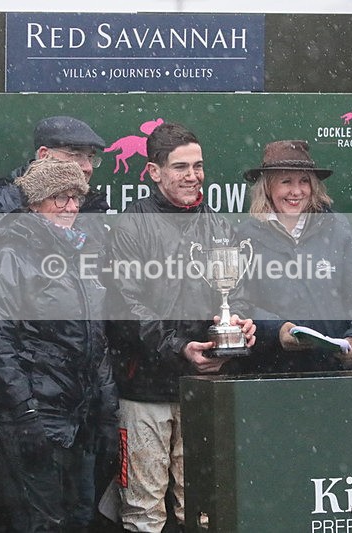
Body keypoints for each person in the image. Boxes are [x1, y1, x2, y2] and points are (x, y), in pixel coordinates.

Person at [107, 122, 255, 532]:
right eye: (180, 167)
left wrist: (238, 326)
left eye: (199, 166)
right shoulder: (131, 224)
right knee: (143, 510)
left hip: (203, 387)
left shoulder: (220, 225)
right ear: (154, 172)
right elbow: (126, 308)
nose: (192, 176)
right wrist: (178, 348)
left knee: (202, 507)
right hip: (145, 392)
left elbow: (237, 293)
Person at [0, 159, 118, 532]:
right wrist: (25, 413)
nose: (70, 207)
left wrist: (105, 409)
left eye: (75, 198)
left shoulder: (80, 250)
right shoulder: (11, 251)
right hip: (37, 414)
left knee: (81, 517)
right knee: (44, 523)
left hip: (79, 417)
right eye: (59, 198)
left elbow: (95, 336)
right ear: (34, 203)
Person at [232, 140, 352, 374]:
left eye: (304, 181)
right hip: (271, 374)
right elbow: (239, 304)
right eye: (286, 181)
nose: (296, 191)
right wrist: (277, 329)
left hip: (334, 372)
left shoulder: (338, 228)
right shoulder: (246, 236)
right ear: (267, 188)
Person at [0, 115, 108, 215]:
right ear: (44, 155)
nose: (87, 168)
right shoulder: (4, 207)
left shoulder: (93, 206)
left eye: (90, 157)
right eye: (76, 155)